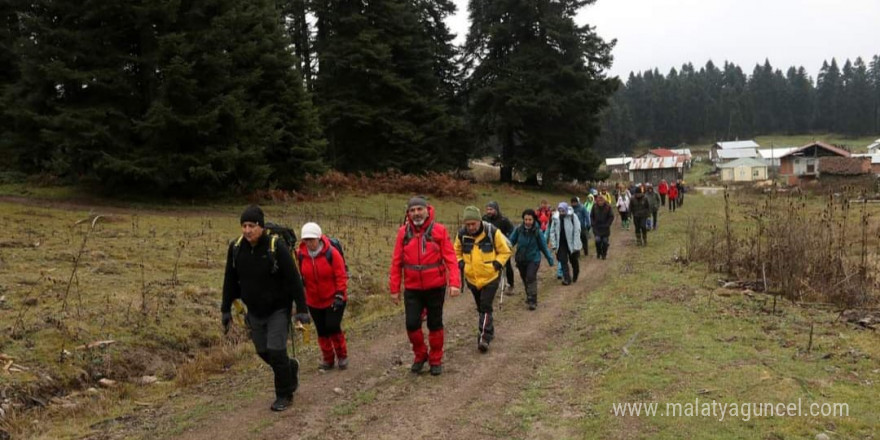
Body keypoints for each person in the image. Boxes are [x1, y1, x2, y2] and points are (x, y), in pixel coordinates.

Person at [221, 205, 311, 412]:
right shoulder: (236, 248)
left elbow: (294, 280)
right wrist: (225, 309)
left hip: (279, 308)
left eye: (251, 225)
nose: (247, 230)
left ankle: (284, 394)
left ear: (260, 227)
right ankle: (290, 368)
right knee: (263, 351)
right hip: (254, 310)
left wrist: (303, 310)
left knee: (276, 351)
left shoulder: (275, 246)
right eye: (243, 225)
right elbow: (230, 279)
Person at [389, 196, 461, 376]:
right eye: (412, 211)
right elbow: (396, 262)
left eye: (419, 209)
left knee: (434, 324)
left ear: (427, 210)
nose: (416, 213)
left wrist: (454, 282)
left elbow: (451, 259)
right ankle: (420, 355)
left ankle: (435, 359)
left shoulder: (439, 231)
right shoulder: (402, 233)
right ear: (408, 214)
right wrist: (394, 289)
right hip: (412, 288)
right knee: (412, 324)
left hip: (435, 286)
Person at [455, 206, 512, 353]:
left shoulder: (492, 232)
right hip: (472, 279)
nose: (471, 227)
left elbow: (505, 250)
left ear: (479, 221)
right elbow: (455, 251)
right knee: (481, 307)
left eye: (473, 223)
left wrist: (497, 264)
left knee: (485, 306)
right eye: (468, 224)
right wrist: (460, 262)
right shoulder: (461, 235)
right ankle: (489, 330)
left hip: (491, 277)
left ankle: (484, 338)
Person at [297, 222, 348, 371]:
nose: (309, 243)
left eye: (312, 239)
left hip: (334, 298)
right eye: (306, 240)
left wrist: (339, 294)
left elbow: (341, 275)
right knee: (321, 330)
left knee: (332, 327)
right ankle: (328, 359)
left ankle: (342, 356)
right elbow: (300, 276)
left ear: (319, 238)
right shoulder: (300, 255)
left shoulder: (331, 253)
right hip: (313, 300)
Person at [508, 209, 555, 310]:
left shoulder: (537, 232)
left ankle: (533, 300)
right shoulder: (519, 229)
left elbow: (543, 246)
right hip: (521, 259)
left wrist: (549, 259)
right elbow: (511, 241)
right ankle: (529, 295)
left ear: (534, 220)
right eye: (526, 219)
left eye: (530, 219)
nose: (528, 222)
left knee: (530, 277)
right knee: (525, 278)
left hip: (534, 259)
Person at [483, 201, 515, 293]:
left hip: (502, 247)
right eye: (487, 209)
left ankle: (510, 285)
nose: (489, 211)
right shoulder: (484, 219)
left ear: (496, 210)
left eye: (491, 209)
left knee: (507, 266)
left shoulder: (503, 220)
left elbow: (512, 231)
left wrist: (508, 242)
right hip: (489, 248)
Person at [548, 202, 582, 285]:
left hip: (571, 243)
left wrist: (576, 245)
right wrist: (554, 245)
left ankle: (575, 273)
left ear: (566, 210)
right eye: (560, 210)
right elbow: (552, 231)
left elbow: (577, 230)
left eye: (563, 210)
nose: (561, 212)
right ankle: (567, 278)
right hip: (561, 243)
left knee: (573, 261)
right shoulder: (555, 218)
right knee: (563, 261)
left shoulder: (573, 217)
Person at [590, 195, 615, 260]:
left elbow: (611, 216)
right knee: (597, 240)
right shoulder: (594, 206)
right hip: (597, 227)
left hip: (605, 227)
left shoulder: (608, 207)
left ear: (604, 201)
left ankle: (604, 254)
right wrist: (593, 223)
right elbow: (591, 216)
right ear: (597, 201)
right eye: (599, 201)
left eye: (602, 201)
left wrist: (608, 224)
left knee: (605, 241)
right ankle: (598, 252)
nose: (600, 202)